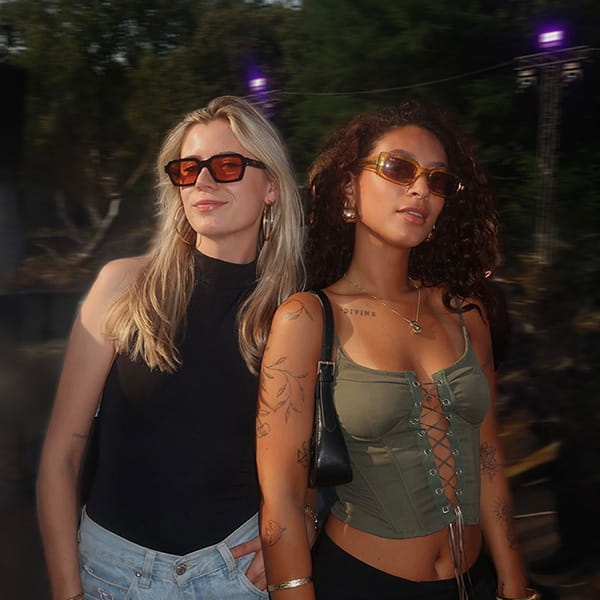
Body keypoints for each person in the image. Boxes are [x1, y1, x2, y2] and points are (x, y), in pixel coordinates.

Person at [256, 100, 536, 600]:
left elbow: (488, 456)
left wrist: (515, 584)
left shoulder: (466, 314)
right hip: (361, 581)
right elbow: (284, 499)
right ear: (349, 188)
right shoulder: (307, 319)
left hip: (471, 583)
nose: (420, 189)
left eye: (437, 180)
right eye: (398, 168)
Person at [36, 95, 305, 600]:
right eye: (188, 168)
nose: (203, 181)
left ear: (271, 186)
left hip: (235, 575)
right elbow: (60, 456)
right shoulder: (123, 287)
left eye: (227, 165)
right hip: (112, 577)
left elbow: (320, 454)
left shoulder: (296, 312)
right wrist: (67, 592)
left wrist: (304, 522)